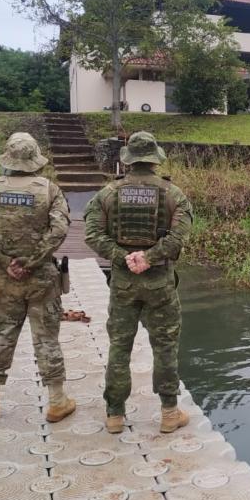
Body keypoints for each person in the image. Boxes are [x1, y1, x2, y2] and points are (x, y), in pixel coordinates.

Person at [84, 131, 193, 434]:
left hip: (123, 284)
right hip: (160, 284)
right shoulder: (173, 194)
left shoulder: (107, 194)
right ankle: (169, 413)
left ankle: (115, 415)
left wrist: (122, 257)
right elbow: (178, 238)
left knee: (120, 346)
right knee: (165, 346)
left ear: (128, 160)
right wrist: (151, 257)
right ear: (155, 159)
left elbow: (92, 235)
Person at [0, 132, 76, 423]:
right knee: (46, 339)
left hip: (6, 279)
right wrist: (34, 260)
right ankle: (57, 401)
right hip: (42, 279)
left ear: (8, 159)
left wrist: (4, 261)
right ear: (35, 159)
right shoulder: (49, 190)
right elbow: (60, 229)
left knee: (1, 337)